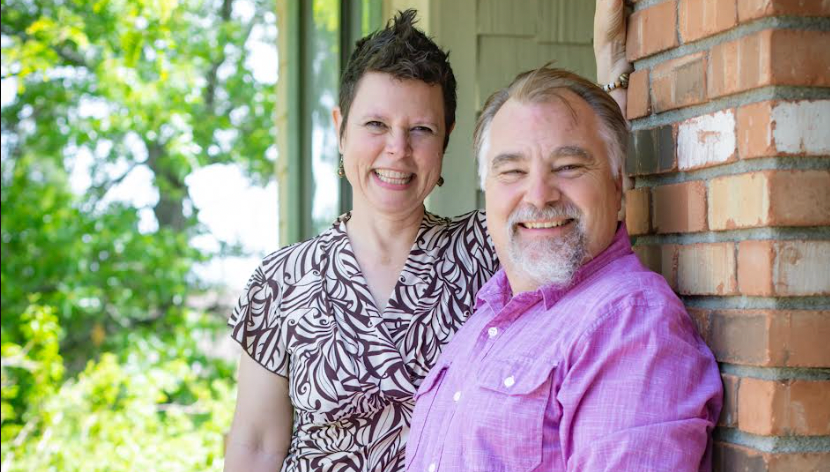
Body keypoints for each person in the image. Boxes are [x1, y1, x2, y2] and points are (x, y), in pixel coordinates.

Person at [224, 4, 632, 471]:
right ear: (340, 128)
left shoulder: (493, 247)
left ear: (446, 140)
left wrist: (611, 63)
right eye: (375, 125)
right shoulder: (281, 280)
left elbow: (595, 209)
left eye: (420, 129)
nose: (397, 150)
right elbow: (255, 445)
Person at [405, 66, 723, 472]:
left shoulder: (631, 325)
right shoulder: (490, 315)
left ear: (616, 185)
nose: (539, 195)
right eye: (513, 171)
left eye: (568, 166)